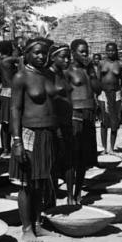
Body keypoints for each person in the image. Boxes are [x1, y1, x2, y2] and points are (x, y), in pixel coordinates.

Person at [9, 37, 59, 242]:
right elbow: (15, 109)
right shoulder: (21, 77)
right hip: (29, 133)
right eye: (37, 52)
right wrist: (17, 140)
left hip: (47, 134)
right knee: (26, 183)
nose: (41, 56)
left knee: (41, 182)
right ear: (27, 53)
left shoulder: (49, 75)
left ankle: (38, 223)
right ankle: (27, 228)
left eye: (44, 53)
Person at [63, 39, 101, 204]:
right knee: (72, 156)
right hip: (74, 114)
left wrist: (92, 70)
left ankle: (78, 193)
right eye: (82, 52)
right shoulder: (67, 70)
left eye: (86, 51)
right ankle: (70, 195)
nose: (85, 54)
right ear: (73, 53)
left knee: (83, 158)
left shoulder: (89, 70)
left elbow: (97, 89)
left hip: (89, 114)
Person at [48, 44, 74, 200]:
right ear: (52, 58)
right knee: (54, 161)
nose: (67, 60)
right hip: (55, 125)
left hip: (67, 123)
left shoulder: (64, 74)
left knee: (69, 160)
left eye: (68, 57)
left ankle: (71, 196)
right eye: (63, 57)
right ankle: (53, 195)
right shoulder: (47, 77)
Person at [97, 43, 122, 153]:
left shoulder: (120, 64)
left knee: (114, 122)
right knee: (104, 121)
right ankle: (104, 148)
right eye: (109, 50)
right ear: (106, 51)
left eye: (113, 50)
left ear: (116, 51)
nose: (111, 52)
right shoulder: (101, 63)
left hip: (116, 93)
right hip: (103, 94)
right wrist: (96, 95)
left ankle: (111, 147)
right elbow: (98, 80)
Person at [0, 41, 19, 158]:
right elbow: (20, 59)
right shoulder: (7, 61)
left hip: (5, 93)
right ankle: (6, 149)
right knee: (8, 124)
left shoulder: (2, 61)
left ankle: (6, 149)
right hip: (10, 94)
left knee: (5, 124)